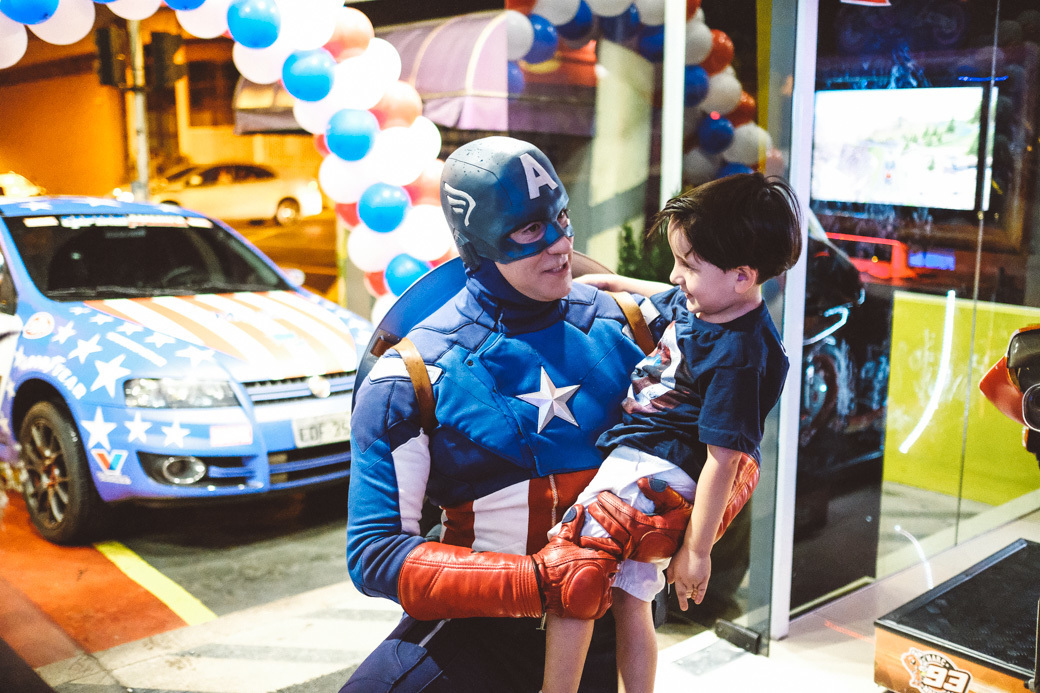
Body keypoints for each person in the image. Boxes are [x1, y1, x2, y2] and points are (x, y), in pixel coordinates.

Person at [343, 136, 692, 692]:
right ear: (478, 242)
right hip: (478, 634)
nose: (559, 243)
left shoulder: (635, 323)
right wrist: (538, 581)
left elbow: (741, 372)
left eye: (561, 217)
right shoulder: (411, 377)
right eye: (530, 229)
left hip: (603, 630)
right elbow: (375, 553)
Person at [542, 173, 802, 693]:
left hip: (659, 464)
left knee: (573, 572)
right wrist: (610, 285)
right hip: (644, 456)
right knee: (629, 596)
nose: (674, 273)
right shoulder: (711, 301)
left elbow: (723, 460)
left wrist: (697, 551)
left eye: (688, 263)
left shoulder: (739, 355)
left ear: (743, 276)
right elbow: (666, 295)